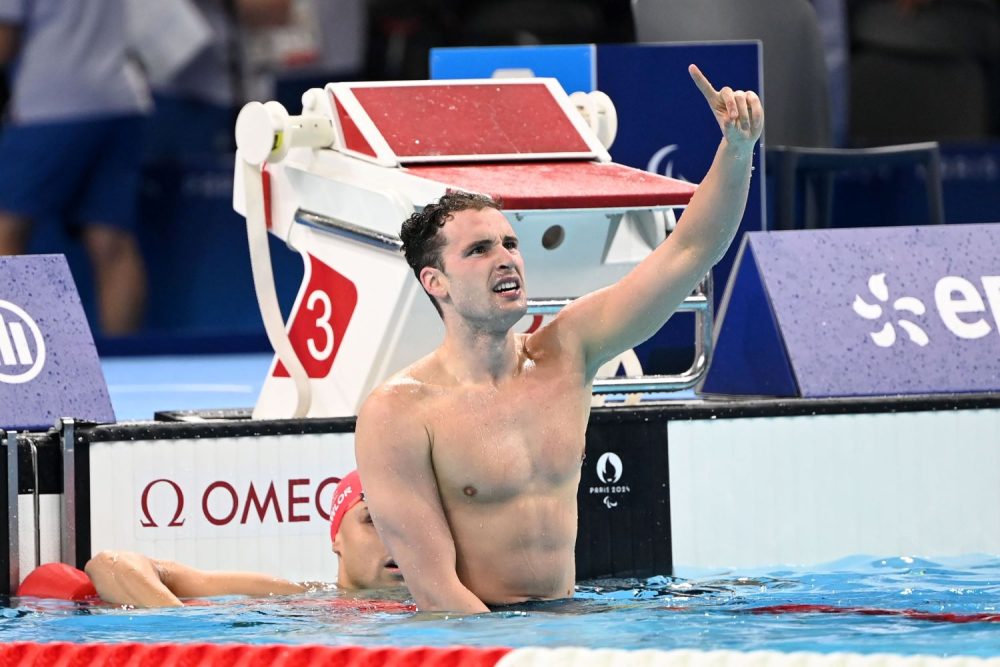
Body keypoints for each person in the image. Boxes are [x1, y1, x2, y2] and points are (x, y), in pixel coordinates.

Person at [354, 64, 764, 613]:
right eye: (478, 250)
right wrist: (524, 649)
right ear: (436, 283)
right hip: (480, 633)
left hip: (567, 621)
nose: (506, 258)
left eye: (509, 243)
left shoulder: (567, 352)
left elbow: (689, 251)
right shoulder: (399, 413)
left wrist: (737, 148)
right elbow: (435, 590)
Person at [20, 471, 406, 608]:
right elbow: (110, 564)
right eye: (373, 520)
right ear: (336, 537)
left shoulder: (437, 604)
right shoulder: (290, 597)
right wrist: (183, 631)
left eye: (408, 522)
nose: (396, 538)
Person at [0, 0, 151, 335]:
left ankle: (32, 361)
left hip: (51, 105)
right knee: (111, 240)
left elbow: (4, 40)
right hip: (120, 99)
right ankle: (124, 357)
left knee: (6, 231)